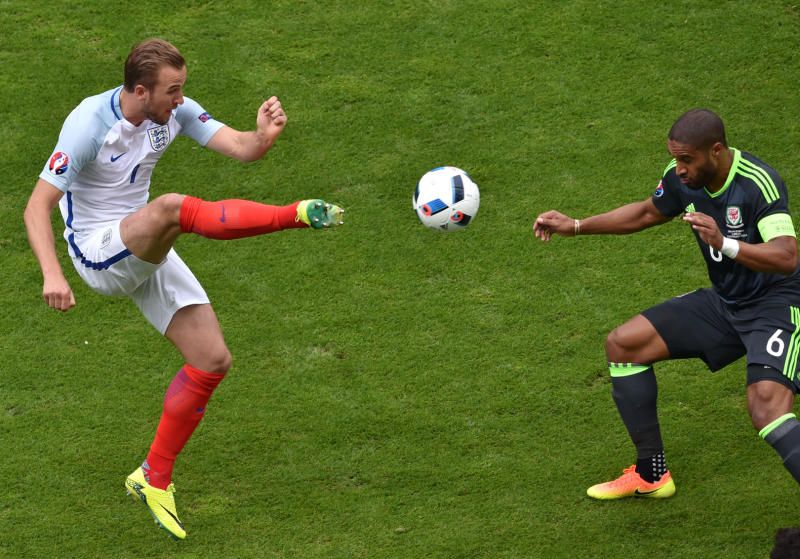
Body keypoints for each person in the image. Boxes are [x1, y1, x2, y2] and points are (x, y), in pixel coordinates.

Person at [24, 38, 344, 540]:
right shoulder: (89, 125)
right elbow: (35, 206)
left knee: (212, 359)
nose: (180, 99)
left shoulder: (173, 111)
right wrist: (52, 273)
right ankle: (297, 215)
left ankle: (152, 476)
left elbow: (242, 147)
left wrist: (263, 136)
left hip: (144, 238)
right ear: (140, 91)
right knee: (172, 208)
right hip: (97, 250)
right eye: (172, 91)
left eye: (181, 89)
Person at [533, 108, 800, 500]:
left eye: (686, 160)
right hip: (727, 304)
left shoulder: (758, 183)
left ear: (716, 151)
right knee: (624, 344)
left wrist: (724, 243)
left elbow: (787, 256)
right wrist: (576, 226)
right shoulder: (683, 179)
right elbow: (647, 212)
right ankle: (651, 474)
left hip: (777, 304)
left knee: (767, 409)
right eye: (675, 159)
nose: (679, 169)